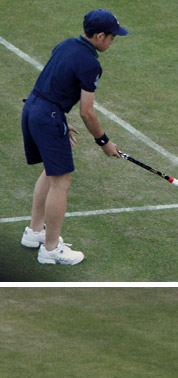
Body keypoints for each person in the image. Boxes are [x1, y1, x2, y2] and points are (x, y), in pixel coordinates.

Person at [20, 9, 129, 265]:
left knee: (50, 171)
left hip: (33, 108)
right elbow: (87, 112)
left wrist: (56, 118)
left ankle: (34, 232)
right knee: (61, 180)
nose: (113, 41)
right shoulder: (92, 64)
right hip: (48, 116)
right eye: (112, 37)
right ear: (100, 36)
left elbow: (53, 82)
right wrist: (104, 142)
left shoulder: (66, 44)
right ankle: (50, 249)